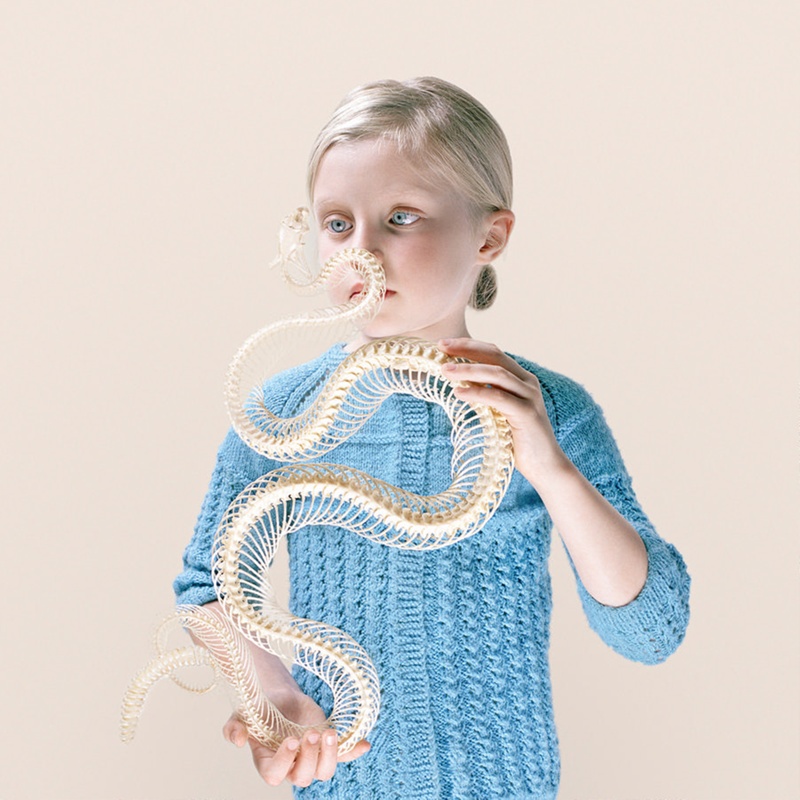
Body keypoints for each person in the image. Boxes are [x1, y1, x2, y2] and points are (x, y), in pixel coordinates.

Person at [173, 77, 691, 799]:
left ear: (490, 235)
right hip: (342, 786)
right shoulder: (283, 412)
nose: (360, 251)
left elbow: (650, 630)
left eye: (402, 218)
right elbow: (209, 587)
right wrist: (277, 701)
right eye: (337, 224)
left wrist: (550, 465)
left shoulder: (548, 410)